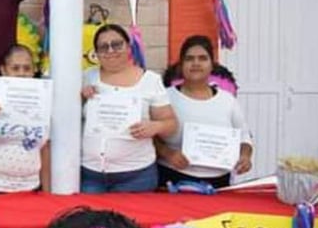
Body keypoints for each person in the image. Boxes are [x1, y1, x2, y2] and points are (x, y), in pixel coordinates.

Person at [81, 24, 177, 193]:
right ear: (96, 53)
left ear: (128, 46)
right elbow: (67, 115)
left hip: (136, 176)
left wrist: (155, 127)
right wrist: (80, 97)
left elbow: (170, 124)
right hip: (91, 174)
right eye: (103, 47)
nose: (110, 50)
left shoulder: (150, 80)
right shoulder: (87, 76)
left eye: (117, 44)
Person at [156, 35, 253, 188]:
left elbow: (244, 137)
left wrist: (245, 156)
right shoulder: (164, 96)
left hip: (218, 182)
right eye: (189, 58)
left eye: (202, 58)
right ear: (181, 64)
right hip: (172, 177)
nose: (196, 63)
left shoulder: (228, 101)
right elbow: (148, 136)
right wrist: (168, 153)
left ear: (211, 65)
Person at [0, 44, 51, 194]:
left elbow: (44, 148)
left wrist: (46, 192)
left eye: (27, 68)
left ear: (33, 71)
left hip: (28, 188)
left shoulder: (44, 105)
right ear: (3, 70)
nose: (21, 73)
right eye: (15, 68)